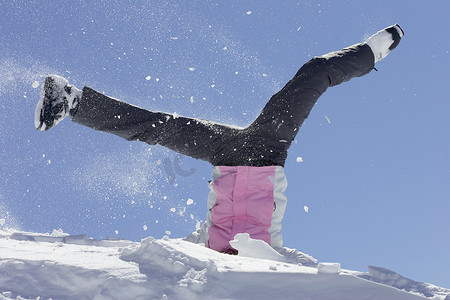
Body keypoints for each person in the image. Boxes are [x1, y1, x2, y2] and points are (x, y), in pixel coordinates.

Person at [35, 25, 404, 254]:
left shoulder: (205, 254)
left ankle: (73, 102)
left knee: (158, 128)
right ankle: (373, 51)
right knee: (314, 74)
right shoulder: (269, 260)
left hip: (224, 156)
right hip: (267, 150)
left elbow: (174, 258)